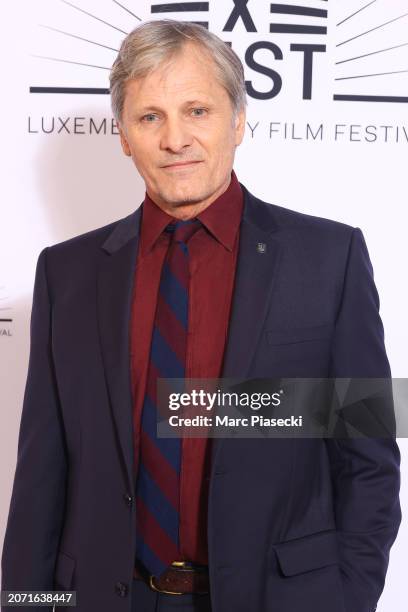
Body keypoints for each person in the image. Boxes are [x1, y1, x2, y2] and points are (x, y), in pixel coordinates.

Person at [1, 19, 401, 612]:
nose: (175, 139)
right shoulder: (68, 274)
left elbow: (367, 458)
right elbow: (40, 478)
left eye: (197, 111)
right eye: (150, 117)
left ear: (238, 121)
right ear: (124, 136)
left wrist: (344, 598)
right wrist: (28, 604)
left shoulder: (328, 259)